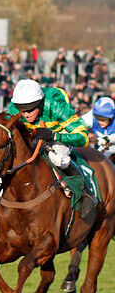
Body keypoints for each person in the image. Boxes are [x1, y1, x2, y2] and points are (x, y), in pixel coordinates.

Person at [8, 79, 95, 217]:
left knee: (57, 158)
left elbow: (83, 138)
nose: (25, 114)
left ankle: (85, 192)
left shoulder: (56, 105)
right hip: (34, 137)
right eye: (22, 110)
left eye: (30, 109)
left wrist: (54, 136)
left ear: (39, 104)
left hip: (59, 134)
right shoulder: (14, 108)